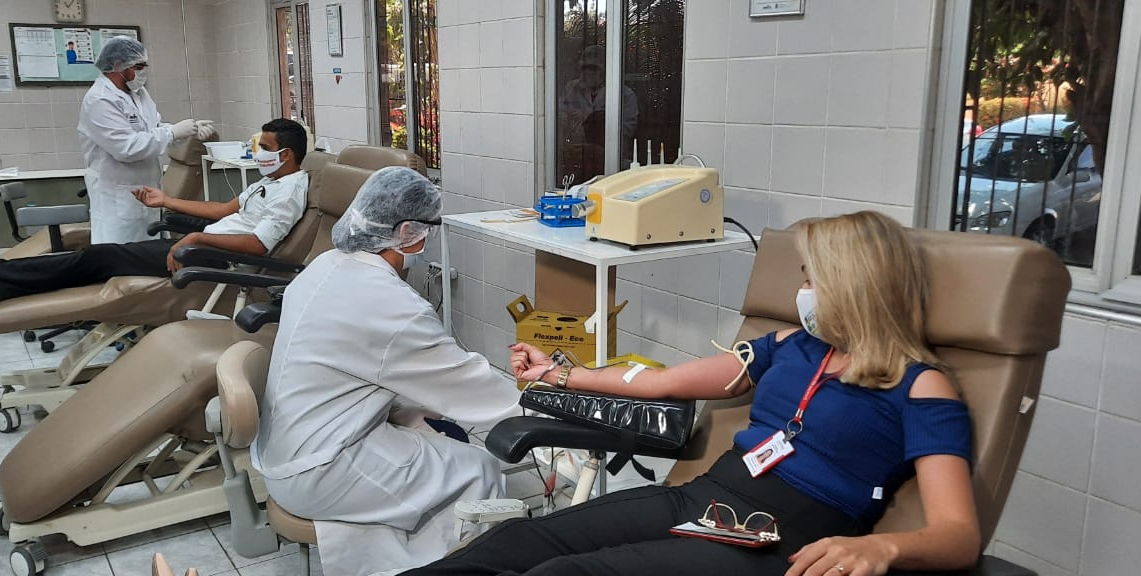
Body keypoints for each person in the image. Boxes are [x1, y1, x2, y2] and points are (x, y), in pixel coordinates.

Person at [402, 211, 980, 576]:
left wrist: (885, 550)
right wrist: (558, 373)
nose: (802, 291)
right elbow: (660, 383)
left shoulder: (921, 387)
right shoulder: (794, 345)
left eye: (812, 278)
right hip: (702, 500)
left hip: (781, 540)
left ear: (855, 286)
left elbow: (959, 537)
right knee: (518, 542)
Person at [251, 167, 522, 576]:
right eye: (428, 232)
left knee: (432, 433)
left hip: (285, 450)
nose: (427, 243)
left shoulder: (324, 267)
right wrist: (562, 403)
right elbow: (474, 391)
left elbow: (358, 370)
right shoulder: (392, 306)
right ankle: (464, 567)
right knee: (477, 467)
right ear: (409, 232)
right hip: (321, 468)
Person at [0, 119, 310, 310]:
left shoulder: (291, 191)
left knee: (101, 256)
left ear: (287, 154)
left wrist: (194, 239)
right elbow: (223, 210)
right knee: (98, 261)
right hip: (206, 246)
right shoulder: (270, 181)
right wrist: (166, 201)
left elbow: (259, 245)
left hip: (218, 258)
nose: (257, 151)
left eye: (265, 147)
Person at [79, 35, 215, 244]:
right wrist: (172, 133)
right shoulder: (99, 99)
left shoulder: (139, 93)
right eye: (139, 66)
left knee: (147, 255)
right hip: (118, 197)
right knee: (121, 259)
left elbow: (152, 129)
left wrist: (188, 131)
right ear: (117, 65)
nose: (143, 71)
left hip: (147, 191)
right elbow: (126, 148)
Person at [559, 44, 639, 181]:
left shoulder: (624, 94)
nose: (587, 72)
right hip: (577, 159)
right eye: (584, 68)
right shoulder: (571, 88)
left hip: (609, 161)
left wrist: (593, 120)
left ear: (604, 70)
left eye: (593, 68)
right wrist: (567, 118)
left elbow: (626, 131)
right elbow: (557, 118)